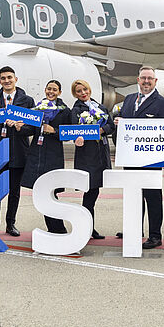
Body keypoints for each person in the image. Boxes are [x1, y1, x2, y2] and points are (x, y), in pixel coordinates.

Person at [115, 66, 164, 249]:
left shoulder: (163, 103)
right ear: (138, 80)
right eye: (143, 78)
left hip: (151, 160)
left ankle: (155, 235)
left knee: (152, 198)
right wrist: (119, 124)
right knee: (133, 195)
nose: (146, 81)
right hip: (130, 158)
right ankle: (134, 229)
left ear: (155, 81)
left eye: (149, 78)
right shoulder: (129, 99)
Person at [0, 66, 35, 237]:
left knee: (14, 191)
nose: (6, 81)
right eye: (3, 78)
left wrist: (21, 127)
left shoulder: (27, 101)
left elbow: (32, 128)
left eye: (9, 77)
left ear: (16, 79)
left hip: (18, 152)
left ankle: (10, 223)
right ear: (0, 81)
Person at [22, 80, 72, 234]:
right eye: (49, 89)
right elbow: (30, 130)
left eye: (55, 89)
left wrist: (54, 131)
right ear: (45, 90)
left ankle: (58, 228)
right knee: (41, 192)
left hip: (53, 155)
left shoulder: (64, 111)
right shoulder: (38, 109)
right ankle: (53, 228)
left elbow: (68, 134)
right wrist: (19, 127)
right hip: (37, 154)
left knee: (51, 192)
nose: (51, 92)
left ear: (59, 92)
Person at [70, 78, 115, 240]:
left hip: (101, 153)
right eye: (79, 91)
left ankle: (89, 227)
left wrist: (101, 130)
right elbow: (74, 129)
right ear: (75, 94)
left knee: (94, 191)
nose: (83, 93)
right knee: (89, 192)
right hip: (87, 155)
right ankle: (87, 227)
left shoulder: (100, 107)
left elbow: (111, 125)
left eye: (85, 90)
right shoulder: (76, 110)